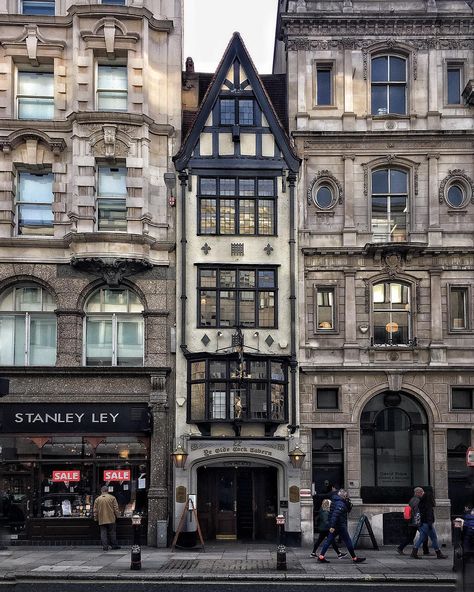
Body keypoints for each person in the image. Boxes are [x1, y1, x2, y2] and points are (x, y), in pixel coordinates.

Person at [317, 489, 366, 564]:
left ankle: (321, 556)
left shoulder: (335, 501)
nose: (347, 497)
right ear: (344, 496)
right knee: (348, 541)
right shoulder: (340, 504)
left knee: (329, 540)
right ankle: (354, 558)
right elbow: (335, 515)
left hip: (335, 524)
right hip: (339, 525)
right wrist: (332, 526)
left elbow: (343, 511)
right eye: (346, 496)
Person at [410, 487, 447, 559]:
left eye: (416, 493)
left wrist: (429, 522)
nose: (415, 495)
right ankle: (438, 553)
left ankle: (414, 552)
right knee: (431, 538)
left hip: (425, 522)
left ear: (419, 492)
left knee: (427, 538)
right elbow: (428, 512)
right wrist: (430, 523)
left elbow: (428, 512)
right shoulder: (423, 499)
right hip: (426, 522)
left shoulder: (425, 500)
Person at [397, 486, 430, 555]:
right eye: (422, 492)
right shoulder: (417, 500)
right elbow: (417, 511)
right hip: (416, 521)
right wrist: (419, 522)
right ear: (418, 493)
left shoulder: (413, 499)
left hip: (412, 521)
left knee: (411, 537)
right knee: (424, 535)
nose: (423, 493)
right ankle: (425, 551)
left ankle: (400, 548)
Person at [93, 486, 121, 551]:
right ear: (107, 490)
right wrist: (118, 516)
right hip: (111, 518)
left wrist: (95, 518)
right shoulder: (112, 498)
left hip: (102, 518)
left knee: (103, 532)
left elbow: (95, 510)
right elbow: (116, 508)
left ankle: (105, 547)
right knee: (112, 532)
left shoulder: (97, 499)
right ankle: (114, 545)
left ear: (101, 491)